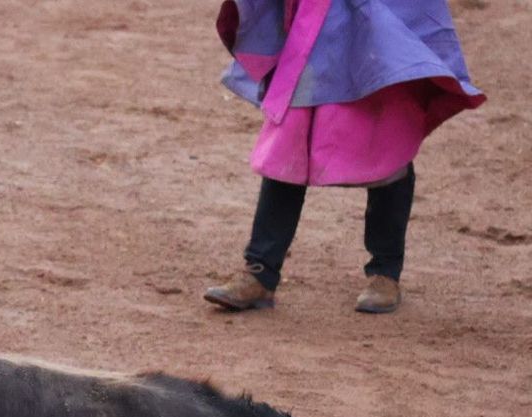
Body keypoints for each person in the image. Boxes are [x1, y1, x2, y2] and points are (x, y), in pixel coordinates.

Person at [203, 0, 483, 314]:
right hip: (315, 20)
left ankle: (385, 272)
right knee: (291, 138)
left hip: (382, 16)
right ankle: (260, 271)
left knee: (384, 134)